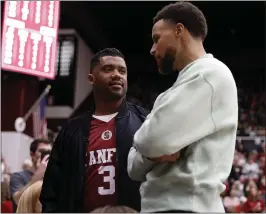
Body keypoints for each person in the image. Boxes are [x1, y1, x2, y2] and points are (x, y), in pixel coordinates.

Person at [128, 1, 238, 213]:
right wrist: (149, 153)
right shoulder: (171, 92)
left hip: (187, 207)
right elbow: (133, 166)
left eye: (156, 39)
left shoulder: (211, 75)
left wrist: (146, 148)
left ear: (179, 30)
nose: (152, 49)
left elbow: (151, 140)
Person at [40, 48, 149, 213]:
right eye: (108, 69)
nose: (117, 75)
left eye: (122, 71)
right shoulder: (71, 130)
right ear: (91, 78)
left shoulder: (145, 120)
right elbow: (51, 190)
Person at [10, 139, 52, 212]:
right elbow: (18, 200)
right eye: (42, 152)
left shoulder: (52, 177)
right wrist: (37, 176)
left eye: (49, 152)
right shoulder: (18, 176)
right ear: (32, 154)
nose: (46, 155)